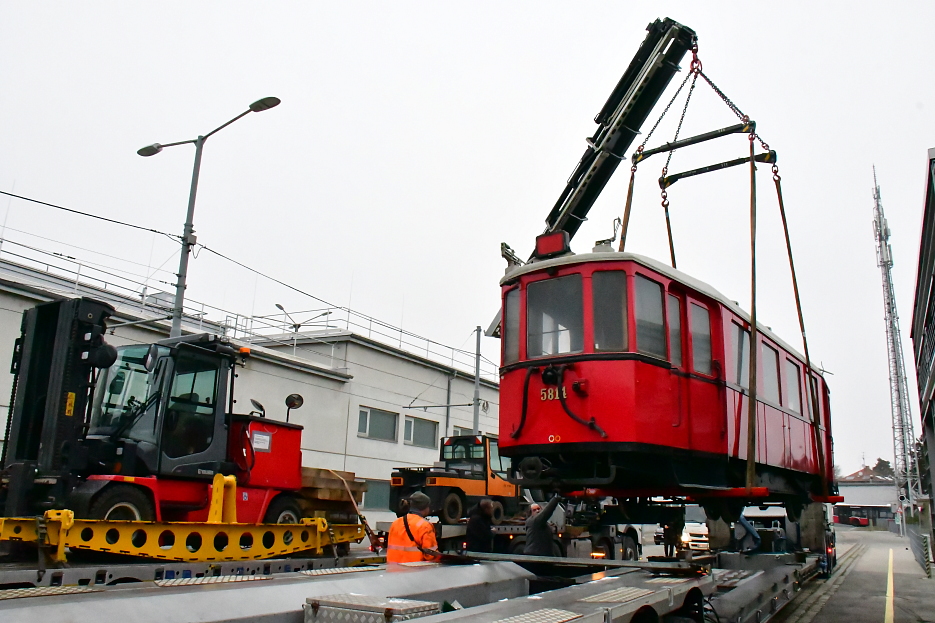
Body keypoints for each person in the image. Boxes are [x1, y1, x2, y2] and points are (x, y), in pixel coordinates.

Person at [387, 491, 440, 563]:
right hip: (414, 568)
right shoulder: (425, 526)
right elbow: (431, 555)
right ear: (424, 507)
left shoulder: (396, 523)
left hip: (393, 567)